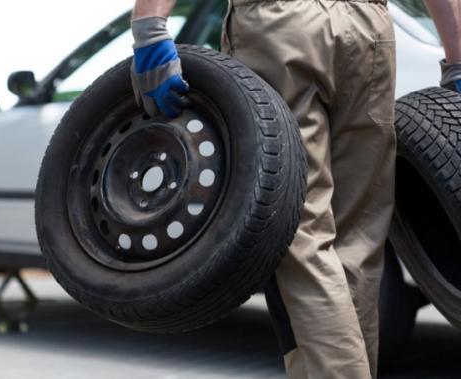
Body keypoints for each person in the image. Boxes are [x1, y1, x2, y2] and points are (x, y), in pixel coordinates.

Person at [130, 0, 461, 377]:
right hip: (368, 28)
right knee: (358, 238)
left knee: (297, 228)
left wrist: (149, 26)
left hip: (282, 24)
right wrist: (457, 57)